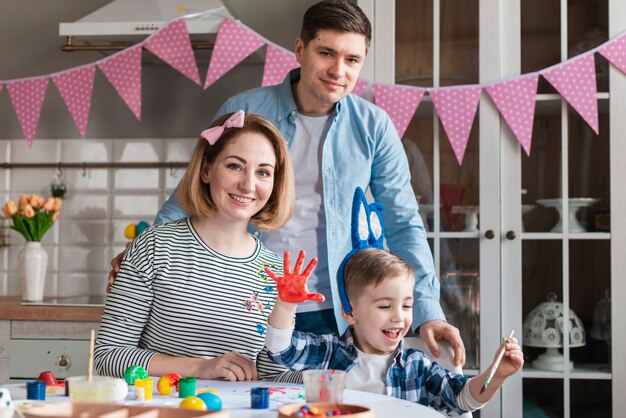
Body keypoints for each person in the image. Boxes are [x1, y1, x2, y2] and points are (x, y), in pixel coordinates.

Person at [109, 0, 465, 366]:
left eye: (352, 60)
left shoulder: (374, 126)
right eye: (326, 52)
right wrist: (142, 256)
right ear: (300, 49)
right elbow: (193, 193)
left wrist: (427, 310)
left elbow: (403, 221)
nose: (338, 70)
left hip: (340, 312)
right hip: (251, 303)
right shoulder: (247, 110)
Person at [95, 111, 300, 382]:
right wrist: (200, 368)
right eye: (235, 166)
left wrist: (341, 379)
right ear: (206, 170)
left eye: (263, 172)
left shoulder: (275, 273)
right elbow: (108, 356)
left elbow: (272, 376)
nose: (248, 184)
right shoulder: (155, 246)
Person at [265, 248, 523, 415]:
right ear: (350, 312)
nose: (399, 316)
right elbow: (281, 349)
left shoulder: (417, 366)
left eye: (407, 305)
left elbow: (462, 399)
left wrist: (496, 375)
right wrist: (286, 305)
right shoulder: (328, 353)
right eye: (385, 305)